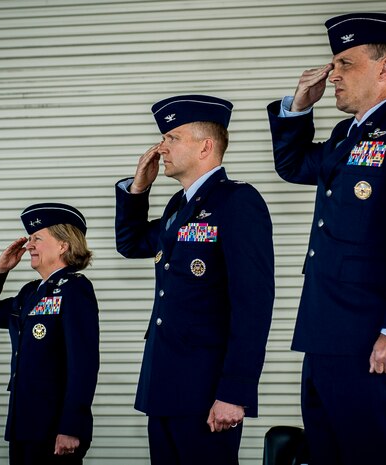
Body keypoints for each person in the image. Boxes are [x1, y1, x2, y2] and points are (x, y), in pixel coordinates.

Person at [266, 13, 386, 465]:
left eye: (345, 63)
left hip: (373, 339)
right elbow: (294, 167)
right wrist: (299, 107)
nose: (333, 75)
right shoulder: (345, 136)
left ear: (384, 68)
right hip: (325, 334)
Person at [115, 95, 274, 465]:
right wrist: (138, 190)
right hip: (166, 381)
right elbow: (132, 243)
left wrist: (235, 391)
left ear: (205, 146)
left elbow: (253, 303)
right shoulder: (178, 206)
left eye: (172, 137)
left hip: (207, 387)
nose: (161, 147)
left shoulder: (237, 201)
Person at [0, 203, 100, 465]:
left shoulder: (75, 289)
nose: (28, 246)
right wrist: (0, 270)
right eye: (29, 239)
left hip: (54, 427)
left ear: (63, 245)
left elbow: (83, 364)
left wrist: (71, 426)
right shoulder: (30, 293)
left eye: (37, 238)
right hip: (24, 423)